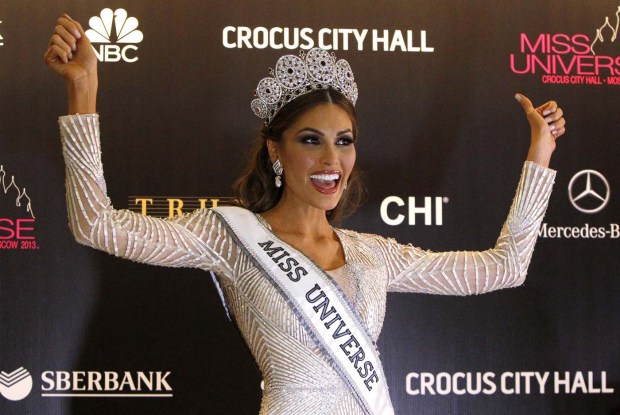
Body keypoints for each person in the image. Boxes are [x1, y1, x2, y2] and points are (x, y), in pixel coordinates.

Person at [44, 14, 565, 415]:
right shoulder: (231, 235)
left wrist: (540, 154)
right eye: (310, 141)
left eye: (344, 142)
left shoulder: (373, 254)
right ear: (276, 150)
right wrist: (83, 90)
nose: (331, 160)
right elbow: (96, 223)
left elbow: (507, 266)